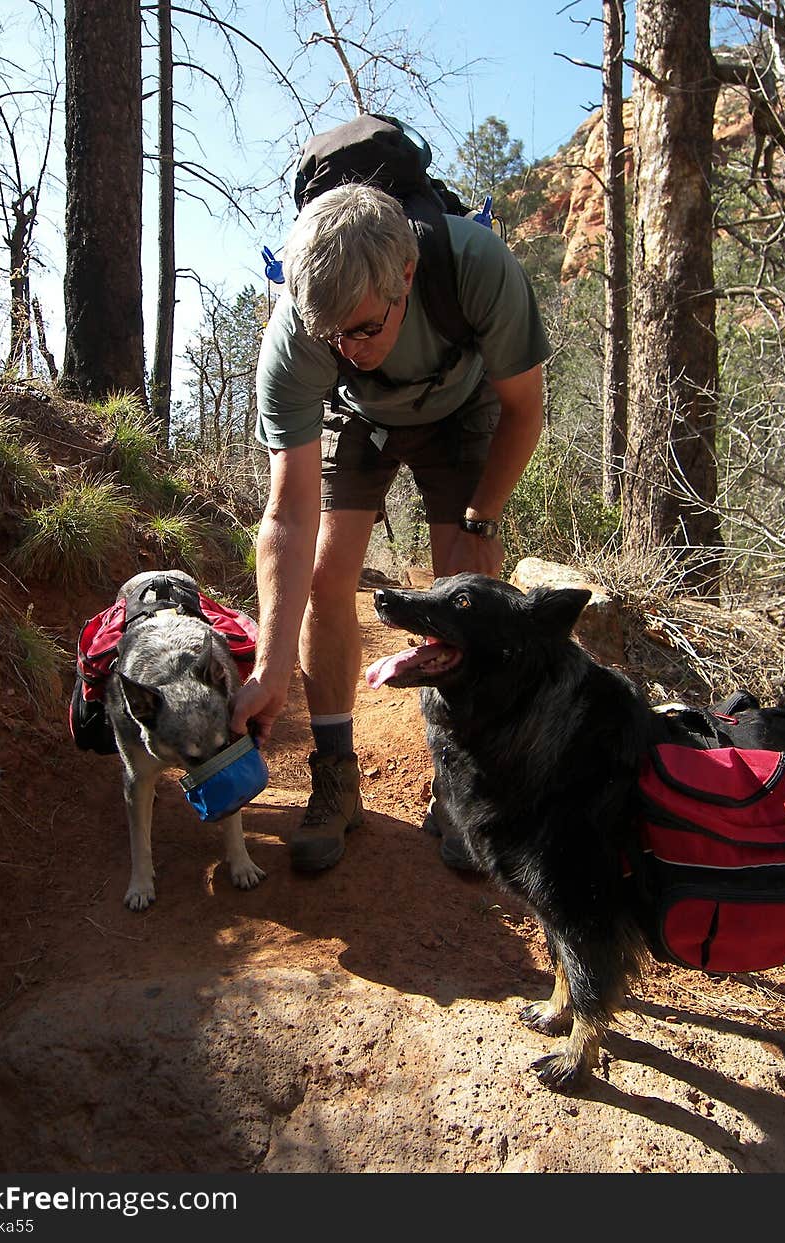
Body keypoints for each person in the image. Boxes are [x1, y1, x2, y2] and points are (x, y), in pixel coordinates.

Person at [231, 182, 551, 872]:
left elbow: (525, 407)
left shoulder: (477, 266)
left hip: (461, 407)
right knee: (323, 573)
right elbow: (288, 512)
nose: (348, 347)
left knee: (467, 581)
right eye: (331, 335)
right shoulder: (301, 331)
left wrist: (481, 514)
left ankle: (461, 784)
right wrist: (269, 669)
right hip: (362, 420)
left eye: (365, 329)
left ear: (406, 275)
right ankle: (336, 776)